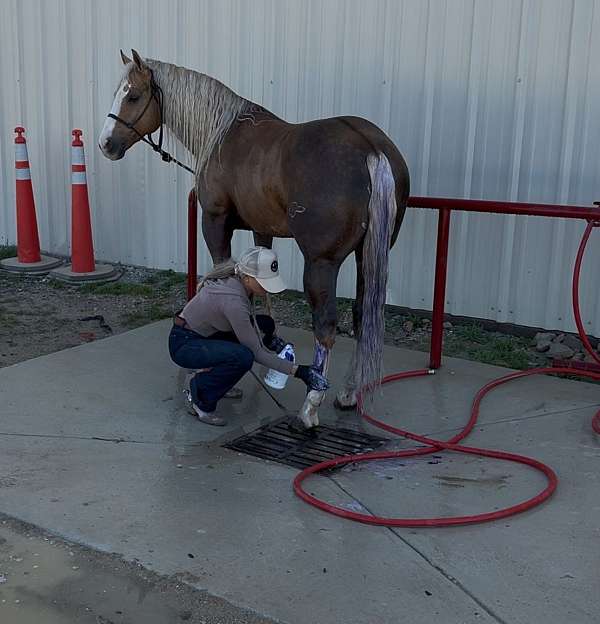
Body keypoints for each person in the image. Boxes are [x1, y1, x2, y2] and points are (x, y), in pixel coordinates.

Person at [168, 246, 329, 426]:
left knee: (265, 324)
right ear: (247, 278)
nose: (266, 287)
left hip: (206, 334)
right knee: (243, 357)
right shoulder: (233, 302)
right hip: (186, 344)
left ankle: (217, 380)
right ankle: (200, 397)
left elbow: (253, 327)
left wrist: (273, 343)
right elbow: (257, 352)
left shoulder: (239, 282)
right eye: (263, 281)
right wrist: (300, 371)